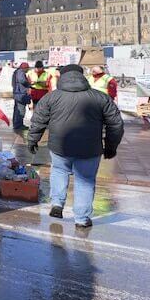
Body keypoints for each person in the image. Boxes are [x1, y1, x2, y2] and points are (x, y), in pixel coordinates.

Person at [27, 64, 124, 229]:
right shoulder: (100, 97)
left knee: (59, 171)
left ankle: (57, 203)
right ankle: (81, 218)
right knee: (85, 180)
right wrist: (110, 146)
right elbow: (116, 124)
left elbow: (38, 121)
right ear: (82, 77)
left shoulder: (51, 97)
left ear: (62, 77)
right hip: (90, 148)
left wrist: (32, 140)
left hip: (60, 146)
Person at [11, 62, 31, 131]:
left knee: (17, 110)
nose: (28, 69)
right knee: (21, 110)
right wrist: (28, 83)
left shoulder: (17, 72)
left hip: (18, 93)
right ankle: (19, 125)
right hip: (20, 94)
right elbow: (22, 80)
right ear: (24, 68)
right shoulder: (20, 72)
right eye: (27, 68)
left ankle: (17, 124)